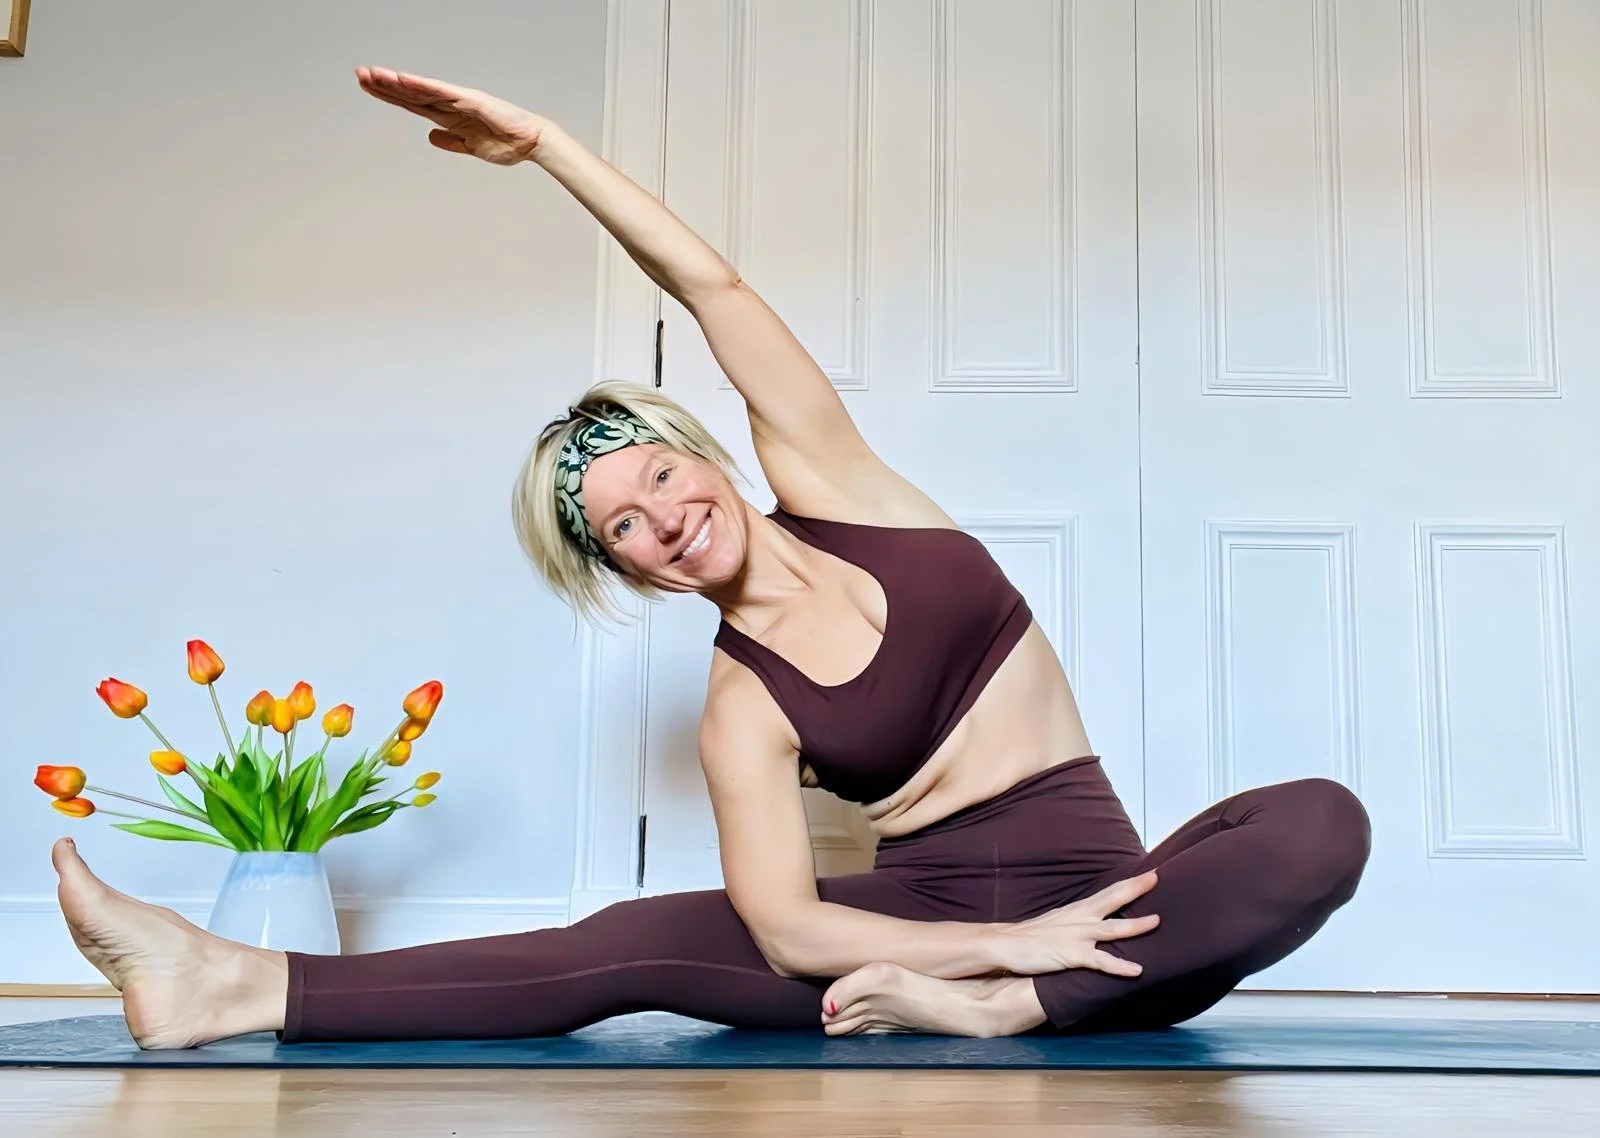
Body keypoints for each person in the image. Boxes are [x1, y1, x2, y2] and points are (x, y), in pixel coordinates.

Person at [48, 67, 1372, 1050]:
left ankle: (1009, 1010)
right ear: (629, 573)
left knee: (1317, 821)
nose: (664, 517)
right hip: (918, 927)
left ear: (708, 456)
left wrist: (550, 148)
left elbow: (715, 291)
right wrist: (993, 941)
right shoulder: (740, 705)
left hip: (1112, 916)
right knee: (622, 944)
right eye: (624, 526)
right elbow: (791, 928)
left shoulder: (848, 490)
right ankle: (233, 983)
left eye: (661, 476)